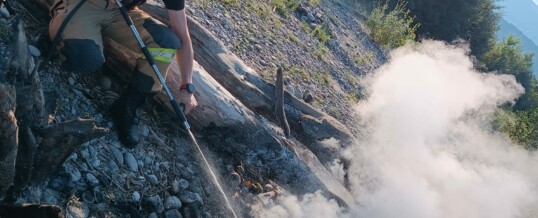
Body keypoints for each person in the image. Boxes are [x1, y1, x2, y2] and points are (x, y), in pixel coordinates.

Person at [48, 0, 197, 148]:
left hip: (120, 12)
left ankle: (127, 108)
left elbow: (182, 36)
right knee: (84, 59)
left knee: (166, 41)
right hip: (84, 5)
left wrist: (187, 86)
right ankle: (55, 32)